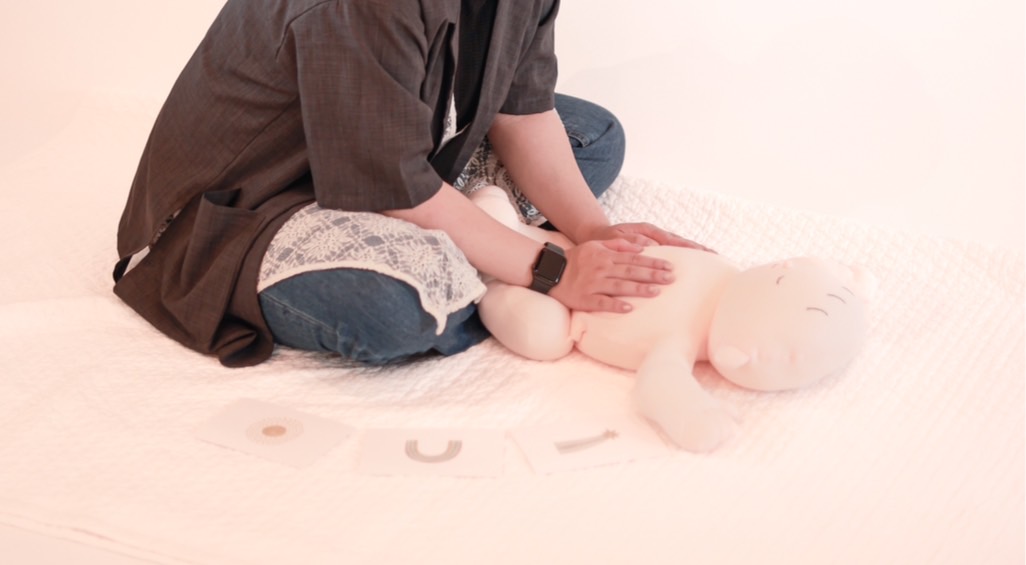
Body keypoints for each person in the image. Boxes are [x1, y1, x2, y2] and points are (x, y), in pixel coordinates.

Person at [112, 0, 710, 368]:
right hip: (251, 205)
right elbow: (396, 185)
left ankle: (479, 239)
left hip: (388, 147)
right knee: (395, 313)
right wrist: (553, 269)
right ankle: (487, 251)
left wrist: (594, 232)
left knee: (594, 137)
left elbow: (522, 112)